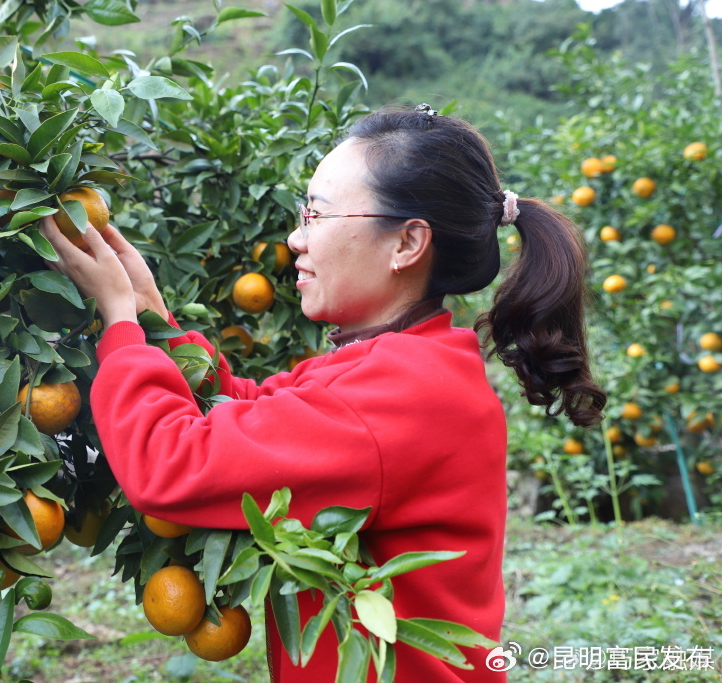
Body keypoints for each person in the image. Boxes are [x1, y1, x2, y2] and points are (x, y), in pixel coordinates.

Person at [38, 104, 606, 682]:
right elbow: (248, 406)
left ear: (407, 242)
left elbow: (172, 464)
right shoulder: (402, 363)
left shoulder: (401, 395)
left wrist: (119, 325)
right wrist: (155, 318)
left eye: (316, 216)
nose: (296, 238)